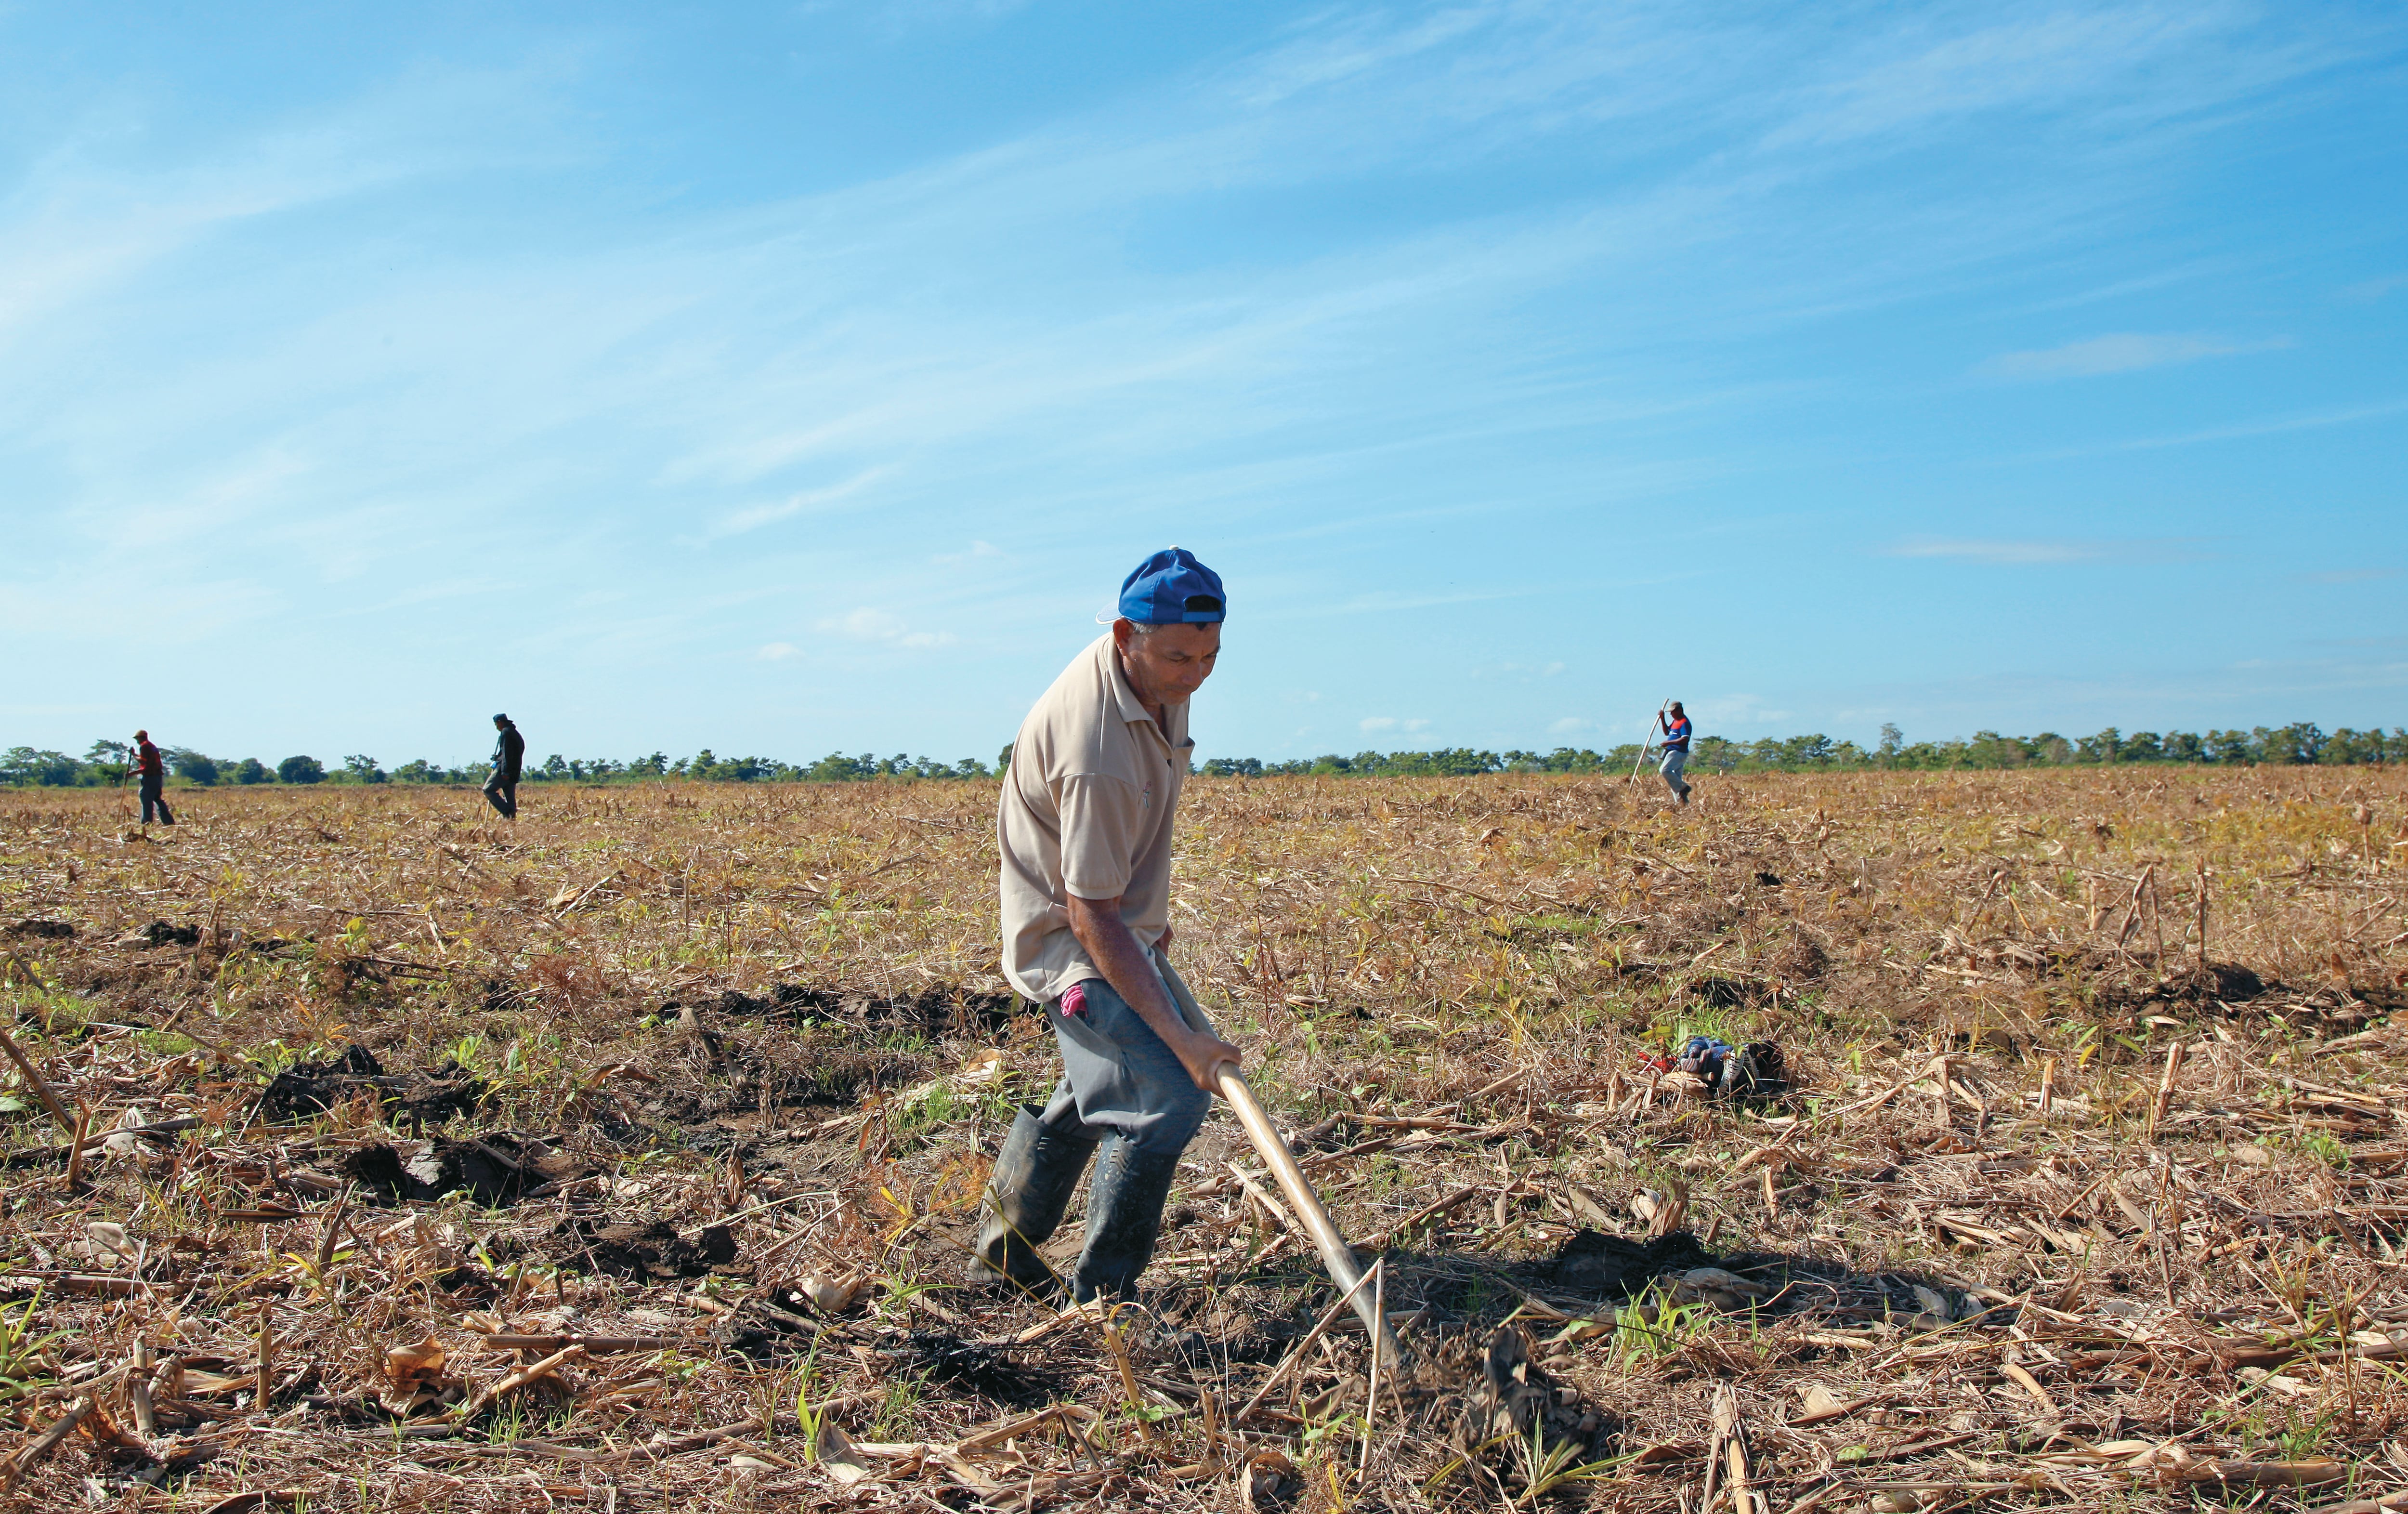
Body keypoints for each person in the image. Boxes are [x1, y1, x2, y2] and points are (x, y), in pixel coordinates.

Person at [970, 547, 1241, 1303]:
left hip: (1113, 917)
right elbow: (1090, 912)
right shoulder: (1096, 746)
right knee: (1167, 1097)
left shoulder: (1153, 675)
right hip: (1072, 938)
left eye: (1210, 657)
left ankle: (999, 1255)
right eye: (1179, 657)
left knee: (1100, 1083)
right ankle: (1103, 1301)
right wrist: (1183, 1038)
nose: (1194, 676)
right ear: (1126, 635)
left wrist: (1147, 921)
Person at [484, 714, 525, 819]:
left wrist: (505, 771)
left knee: (488, 790)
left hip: (505, 770)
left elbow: (508, 754)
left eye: (496, 724)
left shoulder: (506, 732)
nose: (496, 727)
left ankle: (509, 811)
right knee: (510, 797)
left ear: (500, 722)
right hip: (515, 770)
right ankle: (511, 821)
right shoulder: (514, 733)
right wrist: (498, 757)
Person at [131, 730, 174, 825]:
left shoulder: (145, 746)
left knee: (146, 800)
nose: (137, 741)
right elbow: (148, 761)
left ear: (141, 738)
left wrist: (133, 755)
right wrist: (135, 755)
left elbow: (144, 762)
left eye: (137, 739)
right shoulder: (152, 746)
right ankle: (169, 822)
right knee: (157, 799)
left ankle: (146, 823)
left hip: (149, 778)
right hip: (157, 778)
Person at [1658, 701, 1693, 805]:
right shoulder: (1675, 721)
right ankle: (1682, 804)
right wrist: (1662, 719)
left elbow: (1685, 739)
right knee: (1675, 782)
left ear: (1679, 711)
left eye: (1673, 712)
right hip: (1673, 752)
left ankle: (1684, 788)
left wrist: (1668, 743)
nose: (1672, 714)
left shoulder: (1684, 722)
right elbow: (1667, 732)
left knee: (1664, 770)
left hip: (1678, 752)